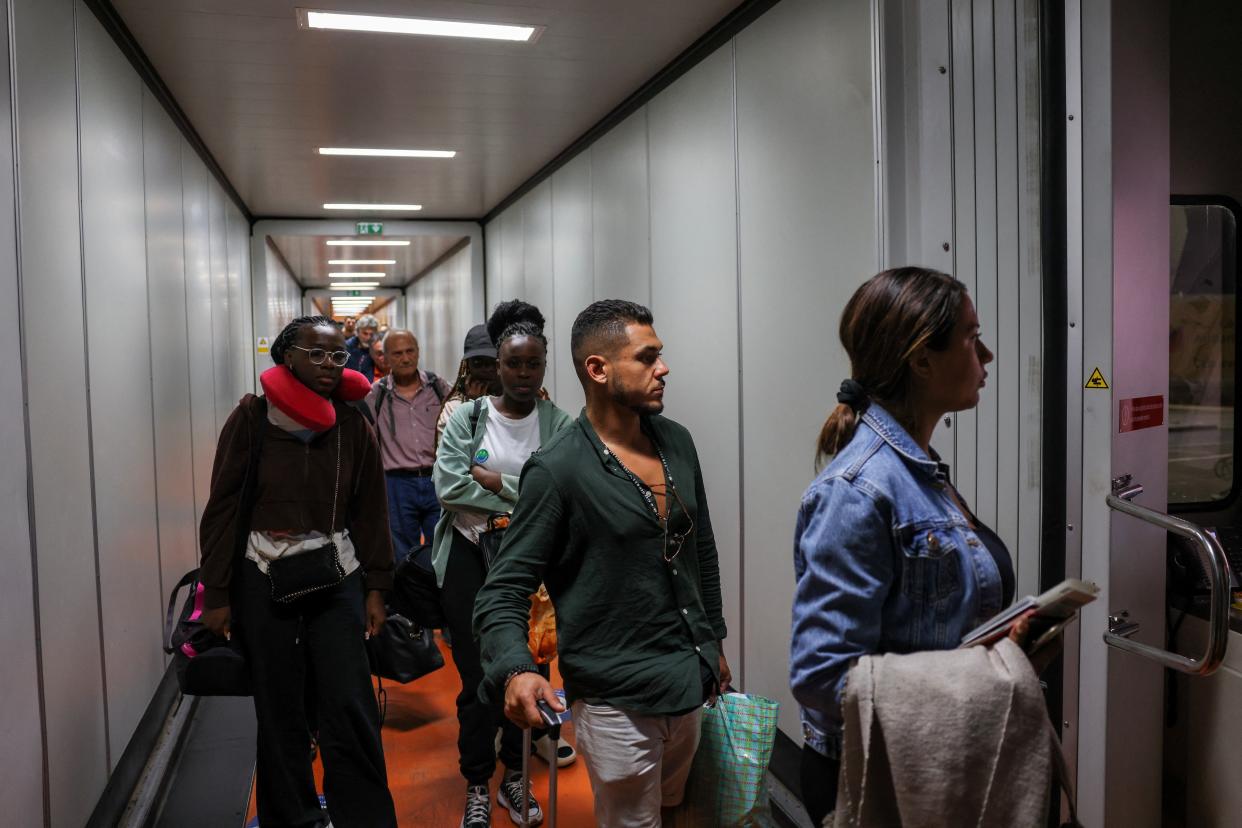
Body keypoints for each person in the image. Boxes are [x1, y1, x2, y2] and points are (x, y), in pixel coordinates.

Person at [475, 299, 732, 828]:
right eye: (647, 357)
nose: (663, 369)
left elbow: (700, 549)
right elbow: (503, 590)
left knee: (680, 811)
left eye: (660, 356)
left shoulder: (676, 442)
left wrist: (715, 643)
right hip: (619, 698)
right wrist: (517, 669)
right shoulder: (558, 469)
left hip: (690, 679)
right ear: (598, 369)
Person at [787, 267, 1015, 826]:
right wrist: (981, 676)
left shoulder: (918, 470)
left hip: (926, 760)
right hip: (874, 778)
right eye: (970, 335)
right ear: (921, 359)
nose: (985, 355)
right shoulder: (858, 490)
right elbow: (823, 675)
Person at [198, 314, 397, 828]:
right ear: (287, 357)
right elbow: (222, 510)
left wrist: (378, 586)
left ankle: (365, 817)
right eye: (316, 353)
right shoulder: (252, 418)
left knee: (349, 706)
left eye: (337, 355)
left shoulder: (353, 423)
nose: (331, 364)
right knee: (280, 709)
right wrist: (216, 593)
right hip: (263, 576)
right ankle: (294, 818)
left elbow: (371, 510)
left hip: (337, 576)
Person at [432, 300, 573, 828]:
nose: (522, 373)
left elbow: (564, 495)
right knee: (475, 680)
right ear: (497, 363)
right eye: (513, 363)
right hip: (471, 558)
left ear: (543, 366)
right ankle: (476, 780)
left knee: (532, 673)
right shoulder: (469, 417)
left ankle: (516, 776)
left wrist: (496, 484)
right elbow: (448, 488)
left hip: (533, 569)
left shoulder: (559, 423)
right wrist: (525, 496)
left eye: (533, 364)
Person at [366, 329, 451, 562]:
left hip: (437, 479)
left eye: (409, 351)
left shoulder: (438, 387)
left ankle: (438, 595)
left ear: (418, 352)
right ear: (385, 357)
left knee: (441, 547)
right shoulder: (376, 394)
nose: (405, 358)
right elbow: (368, 442)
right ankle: (407, 597)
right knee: (402, 551)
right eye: (397, 353)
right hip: (396, 484)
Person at [437, 324, 502, 444]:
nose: (485, 369)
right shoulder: (454, 407)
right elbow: (450, 457)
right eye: (477, 362)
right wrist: (473, 409)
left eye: (492, 362)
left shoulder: (519, 403)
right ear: (467, 366)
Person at [346, 314, 380, 380]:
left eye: (371, 334)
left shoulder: (376, 347)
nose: (368, 337)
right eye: (365, 333)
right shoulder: (347, 347)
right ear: (358, 332)